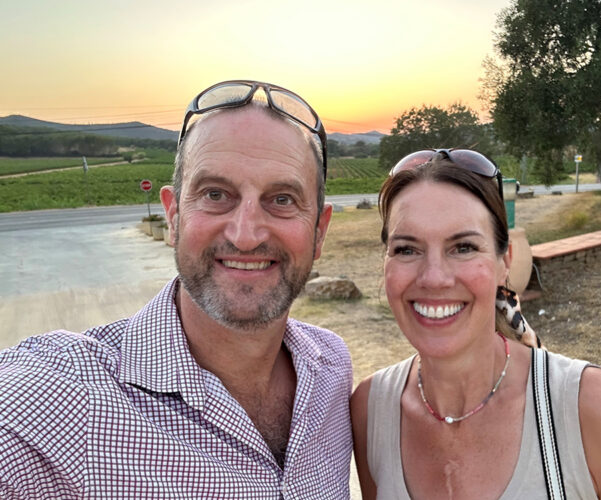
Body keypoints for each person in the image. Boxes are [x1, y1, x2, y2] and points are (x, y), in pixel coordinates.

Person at [0, 80, 353, 499]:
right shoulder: (62, 397)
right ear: (173, 216)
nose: (245, 235)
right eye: (215, 194)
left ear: (319, 231)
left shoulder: (330, 366)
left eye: (282, 200)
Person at [350, 149, 601, 499]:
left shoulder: (597, 408)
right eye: (406, 249)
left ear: (505, 262)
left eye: (463, 247)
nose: (434, 278)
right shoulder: (372, 410)